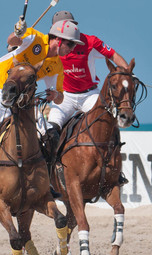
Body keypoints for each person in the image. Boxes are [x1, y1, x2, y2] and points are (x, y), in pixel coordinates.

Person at [3, 16, 85, 197]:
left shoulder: (57, 65)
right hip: (2, 88)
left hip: (22, 101)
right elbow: (12, 40)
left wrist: (55, 95)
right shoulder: (35, 38)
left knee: (49, 137)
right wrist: (18, 32)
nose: (72, 49)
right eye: (71, 45)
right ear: (59, 39)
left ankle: (45, 183)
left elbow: (60, 97)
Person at [47, 11, 130, 186]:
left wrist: (127, 72)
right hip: (65, 97)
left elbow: (113, 55)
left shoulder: (90, 42)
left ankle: (116, 171)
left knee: (109, 121)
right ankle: (50, 171)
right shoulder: (53, 48)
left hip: (89, 95)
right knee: (51, 128)